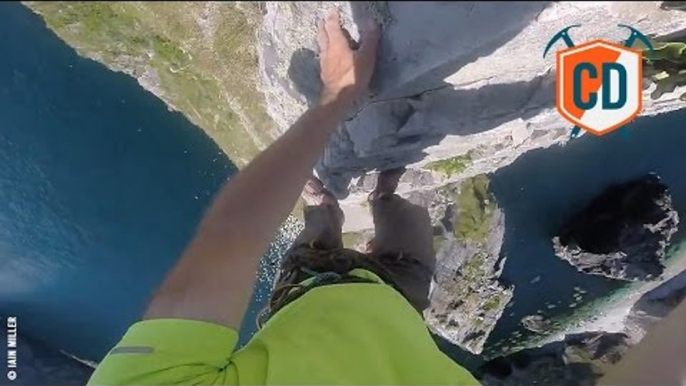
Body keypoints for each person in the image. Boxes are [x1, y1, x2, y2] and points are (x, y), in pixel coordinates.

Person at [88, 10, 478, 385]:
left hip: (309, 285)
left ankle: (326, 204)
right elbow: (230, 237)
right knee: (404, 217)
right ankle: (382, 194)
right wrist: (339, 96)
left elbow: (232, 239)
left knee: (323, 219)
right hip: (396, 297)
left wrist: (337, 99)